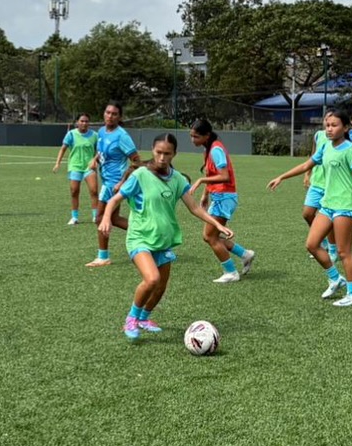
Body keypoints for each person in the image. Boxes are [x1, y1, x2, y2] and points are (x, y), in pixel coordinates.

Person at [99, 133, 233, 340]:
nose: (162, 157)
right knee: (152, 279)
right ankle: (132, 318)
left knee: (161, 286)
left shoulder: (177, 179)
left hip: (163, 240)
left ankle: (144, 318)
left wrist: (216, 224)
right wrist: (107, 217)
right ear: (153, 151)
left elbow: (195, 207)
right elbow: (115, 199)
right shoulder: (141, 175)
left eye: (167, 154)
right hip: (140, 238)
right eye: (158, 152)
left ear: (174, 154)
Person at [268, 109, 352, 307]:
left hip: (345, 205)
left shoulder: (351, 150)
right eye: (327, 125)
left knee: (344, 252)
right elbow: (307, 164)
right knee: (312, 244)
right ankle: (335, 278)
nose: (329, 129)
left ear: (345, 127)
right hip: (328, 204)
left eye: (334, 125)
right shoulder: (325, 147)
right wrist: (282, 176)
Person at [188, 118, 255, 283]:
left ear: (207, 135)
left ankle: (231, 272)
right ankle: (245, 254)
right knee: (209, 236)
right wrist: (205, 194)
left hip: (225, 197)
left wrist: (201, 181)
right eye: (191, 136)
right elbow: (211, 175)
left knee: (210, 236)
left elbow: (224, 176)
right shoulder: (208, 149)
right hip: (219, 196)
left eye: (196, 136)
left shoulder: (216, 149)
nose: (193, 140)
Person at [86, 101, 143, 267]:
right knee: (115, 218)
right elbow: (102, 151)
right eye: (108, 112)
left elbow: (136, 161)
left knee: (100, 218)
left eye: (114, 114)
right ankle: (149, 233)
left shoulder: (122, 136)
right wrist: (95, 159)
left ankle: (103, 256)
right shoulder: (102, 131)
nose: (110, 116)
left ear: (120, 117)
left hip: (113, 183)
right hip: (106, 180)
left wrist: (122, 181)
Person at [52, 113, 99, 226]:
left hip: (89, 167)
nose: (84, 123)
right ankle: (74, 217)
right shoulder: (71, 134)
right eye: (82, 121)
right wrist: (57, 163)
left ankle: (96, 216)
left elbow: (99, 151)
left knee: (93, 191)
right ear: (77, 122)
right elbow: (63, 149)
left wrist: (95, 160)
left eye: (86, 121)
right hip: (75, 166)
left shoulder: (94, 135)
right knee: (74, 191)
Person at [302, 123, 339, 264]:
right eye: (327, 122)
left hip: (330, 184)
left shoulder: (340, 139)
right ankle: (321, 242)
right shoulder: (318, 135)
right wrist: (307, 174)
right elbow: (313, 155)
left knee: (328, 218)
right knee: (307, 214)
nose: (329, 126)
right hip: (316, 182)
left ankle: (333, 250)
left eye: (333, 123)